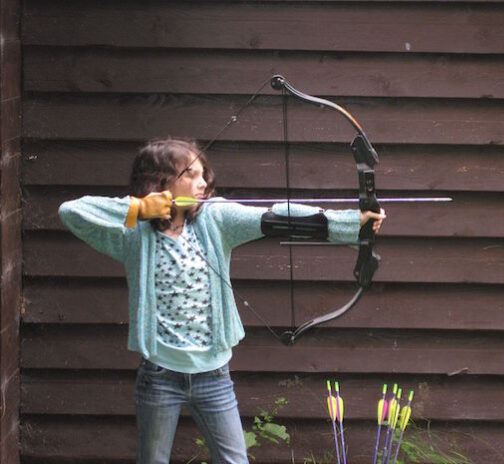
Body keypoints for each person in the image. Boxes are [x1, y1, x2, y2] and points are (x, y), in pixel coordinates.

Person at [58, 138, 386, 464]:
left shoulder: (216, 219)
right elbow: (71, 212)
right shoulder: (132, 235)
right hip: (159, 375)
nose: (202, 182)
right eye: (191, 174)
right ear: (162, 182)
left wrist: (353, 223)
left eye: (203, 174)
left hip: (213, 375)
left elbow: (273, 218)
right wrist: (140, 208)